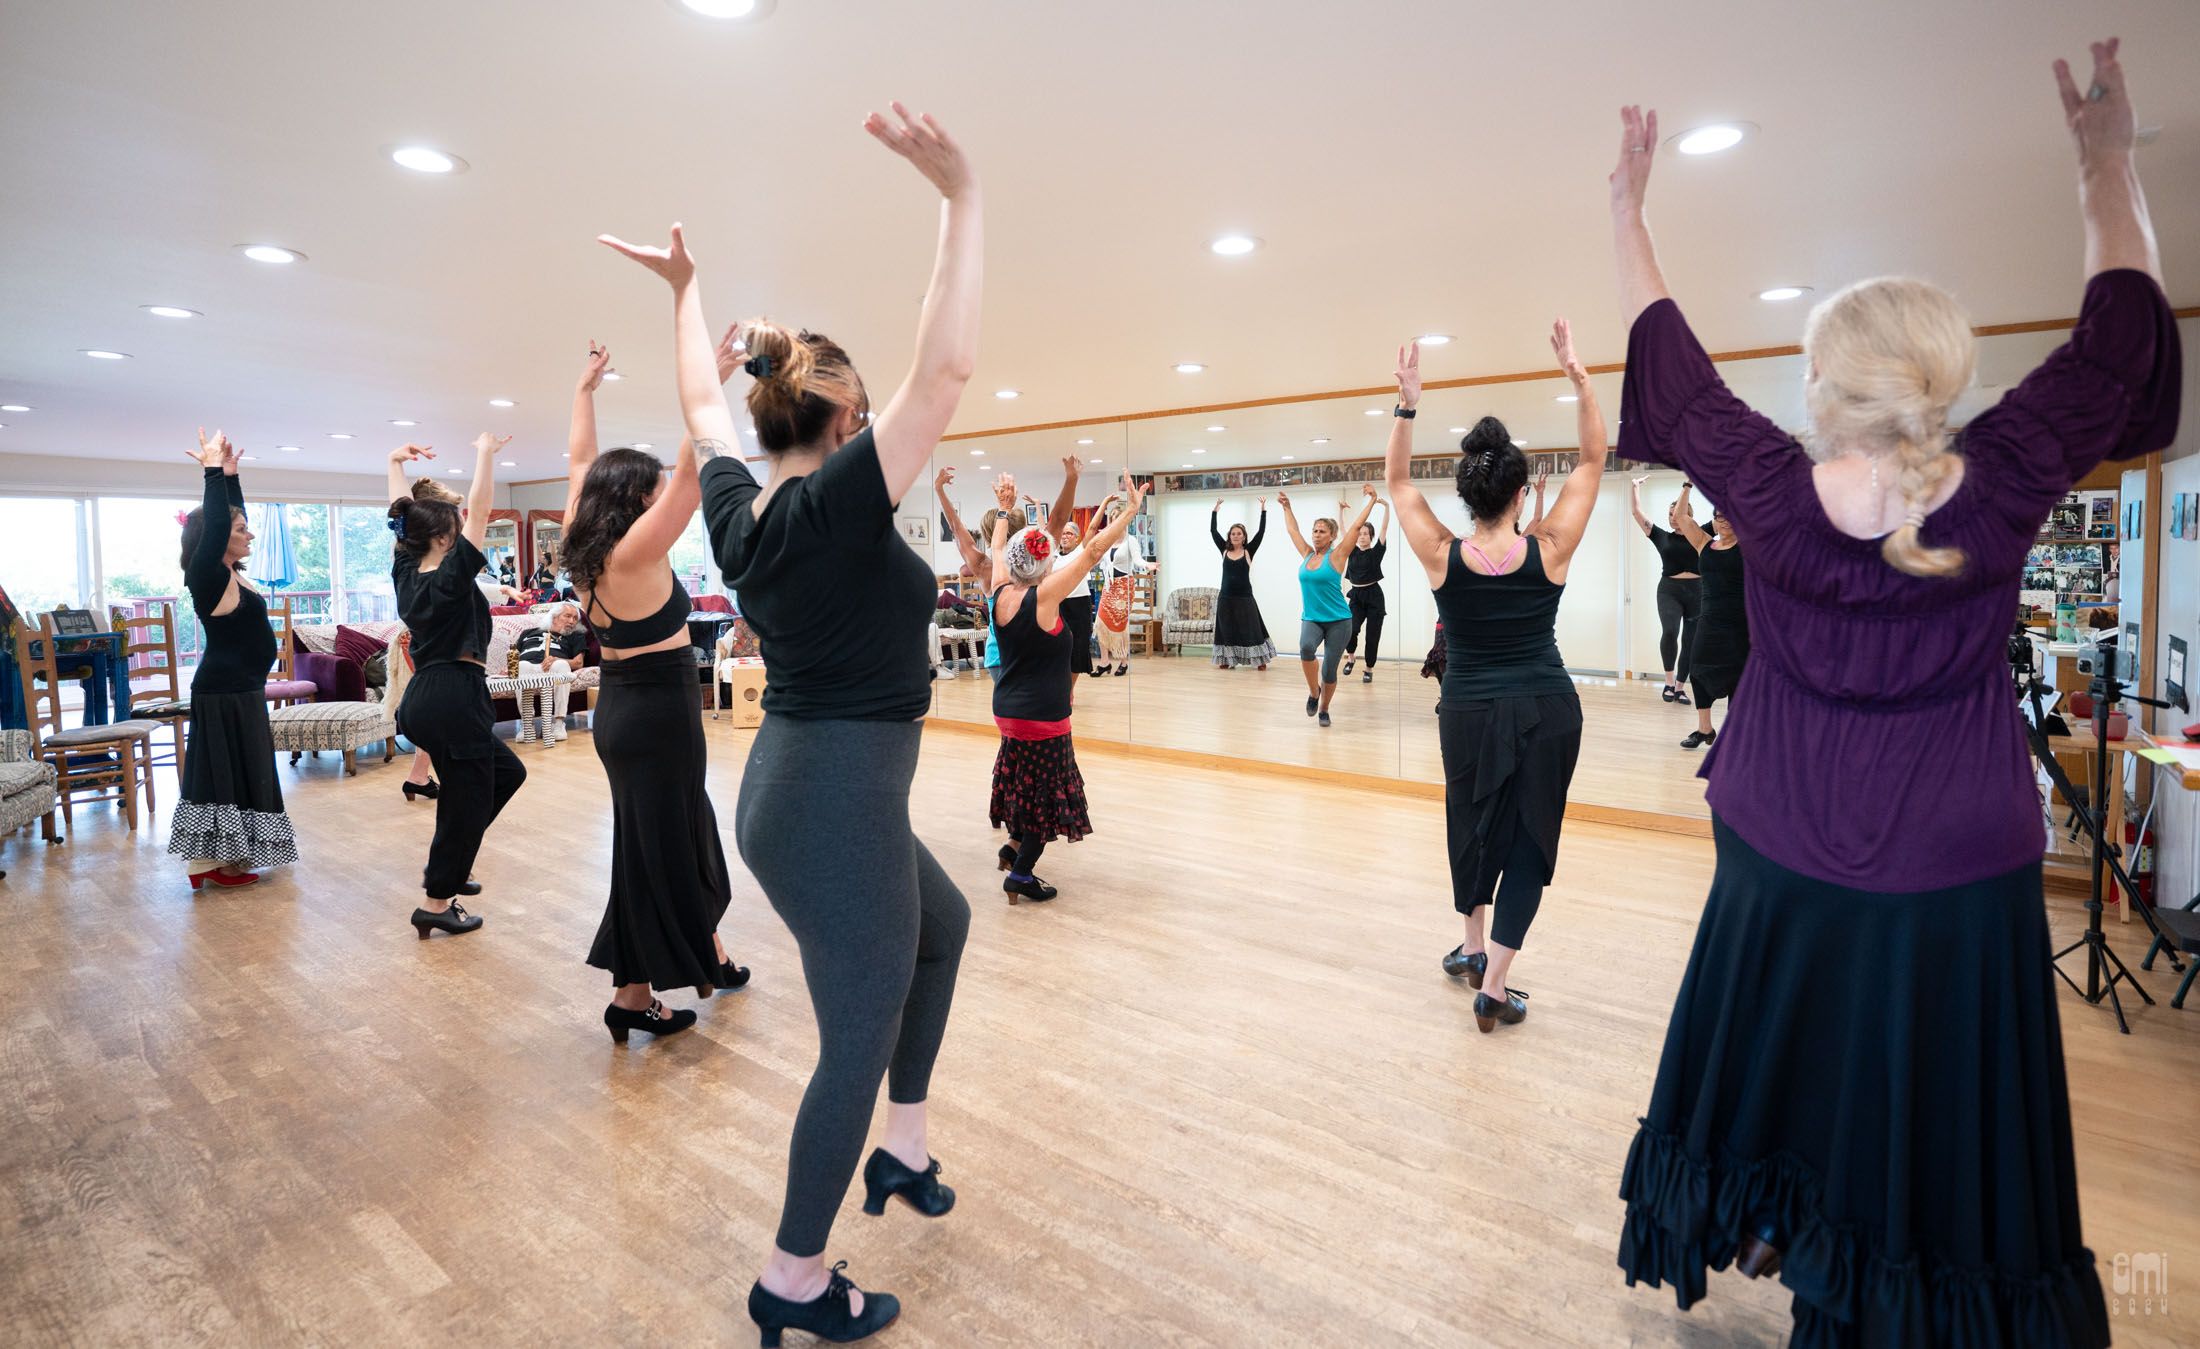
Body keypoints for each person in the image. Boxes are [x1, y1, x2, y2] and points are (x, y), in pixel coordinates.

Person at [1608, 42, 2178, 1345]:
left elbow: (1665, 350)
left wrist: (1628, 208)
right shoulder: (2003, 472)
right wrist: (2103, 161)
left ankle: (1812, 1253)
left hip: (1781, 854)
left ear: (1820, 387)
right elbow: (2125, 329)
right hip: (1950, 868)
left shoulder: (1760, 485)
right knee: (1923, 1109)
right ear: (1944, 381)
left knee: (1801, 1079)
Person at [605, 101, 978, 1345]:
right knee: (851, 1036)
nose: (879, 425)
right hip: (827, 797)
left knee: (947, 923)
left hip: (804, 783)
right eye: (863, 410)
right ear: (838, 423)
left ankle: (904, 1148)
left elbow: (704, 409)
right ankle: (795, 1277)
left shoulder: (743, 511)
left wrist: (687, 292)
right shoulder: (831, 509)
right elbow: (948, 373)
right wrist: (958, 202)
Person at [1386, 326, 1605, 1033]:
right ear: (1520, 492)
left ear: (1469, 495)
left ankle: (1476, 950)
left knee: (1474, 824)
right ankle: (1494, 980)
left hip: (1470, 708)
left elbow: (1395, 483)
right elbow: (1594, 458)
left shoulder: (1442, 553)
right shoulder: (1550, 547)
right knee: (1528, 842)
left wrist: (1408, 404)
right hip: (1548, 705)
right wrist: (1579, 378)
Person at [560, 340, 745, 1045]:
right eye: (652, 486)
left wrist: (586, 391)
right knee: (660, 847)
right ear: (637, 497)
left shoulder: (585, 540)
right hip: (662, 714)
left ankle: (703, 957)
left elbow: (580, 459)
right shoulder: (637, 548)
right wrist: (712, 385)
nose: (660, 490)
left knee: (666, 836)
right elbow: (693, 479)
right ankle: (635, 994)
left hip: (624, 711)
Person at [984, 470, 1147, 903]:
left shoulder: (999, 591)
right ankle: (1020, 874)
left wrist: (1004, 507)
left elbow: (997, 546)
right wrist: (1131, 510)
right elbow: (1092, 552)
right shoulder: (1045, 597)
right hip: (1043, 717)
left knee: (1023, 782)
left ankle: (1012, 846)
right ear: (1043, 565)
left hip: (1007, 713)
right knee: (1045, 797)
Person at [386, 433, 525, 939]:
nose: (466, 525)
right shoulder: (450, 574)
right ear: (445, 537)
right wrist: (485, 454)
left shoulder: (406, 568)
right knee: (465, 802)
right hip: (456, 694)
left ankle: (455, 860)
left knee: (506, 773)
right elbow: (483, 510)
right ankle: (436, 900)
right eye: (458, 525)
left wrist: (394, 463)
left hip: (425, 697)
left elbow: (400, 514)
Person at [166, 429, 297, 889]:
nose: (250, 533)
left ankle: (224, 863)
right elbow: (220, 523)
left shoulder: (227, 574)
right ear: (214, 538)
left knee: (241, 773)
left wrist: (232, 476)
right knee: (222, 775)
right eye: (242, 530)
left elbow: (228, 520)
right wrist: (211, 472)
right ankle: (214, 865)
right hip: (224, 691)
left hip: (239, 690)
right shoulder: (204, 575)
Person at [936, 461, 1076, 681]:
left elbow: (955, 529)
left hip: (1001, 657)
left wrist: (940, 490)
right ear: (1021, 530)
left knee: (1010, 714)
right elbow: (1059, 521)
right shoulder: (1037, 562)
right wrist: (1071, 478)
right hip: (1037, 653)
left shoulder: (986, 568)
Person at [1276, 486, 1379, 727]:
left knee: (1330, 670)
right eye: (1315, 531)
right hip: (1312, 618)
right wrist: (1287, 507)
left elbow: (1354, 528)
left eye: (1322, 531)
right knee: (1305, 648)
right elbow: (1292, 530)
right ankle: (1314, 693)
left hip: (1339, 621)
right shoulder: (1307, 555)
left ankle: (1324, 709)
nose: (1316, 535)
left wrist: (1372, 500)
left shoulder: (1338, 555)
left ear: (1332, 536)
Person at [1673, 505, 1746, 749]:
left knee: (1737, 674)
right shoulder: (1705, 543)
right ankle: (1705, 729)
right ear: (1713, 520)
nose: (1725, 522)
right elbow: (1681, 516)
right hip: (1710, 619)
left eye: (1730, 517)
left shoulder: (1748, 546)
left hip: (1739, 621)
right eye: (1719, 518)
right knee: (1698, 669)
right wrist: (1688, 483)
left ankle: (1734, 733)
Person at [1628, 476, 1705, 703]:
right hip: (1669, 590)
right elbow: (1636, 513)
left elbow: (1727, 517)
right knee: (1670, 632)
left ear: (1688, 514)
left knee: (1691, 641)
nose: (1672, 518)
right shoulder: (1661, 536)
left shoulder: (1702, 533)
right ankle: (1669, 682)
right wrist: (1634, 488)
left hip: (1697, 591)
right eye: (1669, 514)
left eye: (1676, 513)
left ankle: (1680, 687)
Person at [1209, 499, 1275, 669]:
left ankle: (1259, 660)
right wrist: (1215, 511)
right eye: (1233, 533)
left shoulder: (1248, 551)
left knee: (1252, 628)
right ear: (1229, 537)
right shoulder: (1224, 549)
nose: (1236, 536)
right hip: (1226, 597)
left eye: (1239, 533)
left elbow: (1261, 532)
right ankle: (1226, 659)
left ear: (1244, 536)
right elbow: (1213, 530)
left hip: (1245, 597)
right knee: (1227, 629)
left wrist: (1263, 511)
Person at [1090, 493, 1151, 676]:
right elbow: (1096, 559)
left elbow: (1138, 559)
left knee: (1119, 625)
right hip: (1109, 587)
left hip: (1124, 586)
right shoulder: (1107, 541)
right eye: (1113, 521)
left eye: (1119, 521)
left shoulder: (1130, 541)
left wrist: (1148, 565)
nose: (1116, 525)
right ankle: (1104, 663)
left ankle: (1123, 662)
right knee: (1101, 622)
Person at [513, 603, 588, 742]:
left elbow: (578, 662)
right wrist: (508, 668)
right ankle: (527, 725)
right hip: (528, 666)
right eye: (568, 616)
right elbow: (514, 655)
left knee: (562, 665)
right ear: (554, 618)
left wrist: (557, 659)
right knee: (521, 666)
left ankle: (559, 724)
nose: (572, 621)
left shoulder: (575, 636)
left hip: (553, 668)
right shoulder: (528, 633)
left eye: (575, 618)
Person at [1342, 498, 1390, 682]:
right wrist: (1341, 511)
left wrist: (1386, 507)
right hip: (1356, 596)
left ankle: (1369, 669)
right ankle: (1351, 658)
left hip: (1374, 597)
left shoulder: (1377, 551)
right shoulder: (1352, 551)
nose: (1361, 536)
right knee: (1351, 630)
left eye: (1365, 534)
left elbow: (1384, 529)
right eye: (1360, 534)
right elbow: (1346, 531)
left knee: (1372, 636)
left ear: (1371, 536)